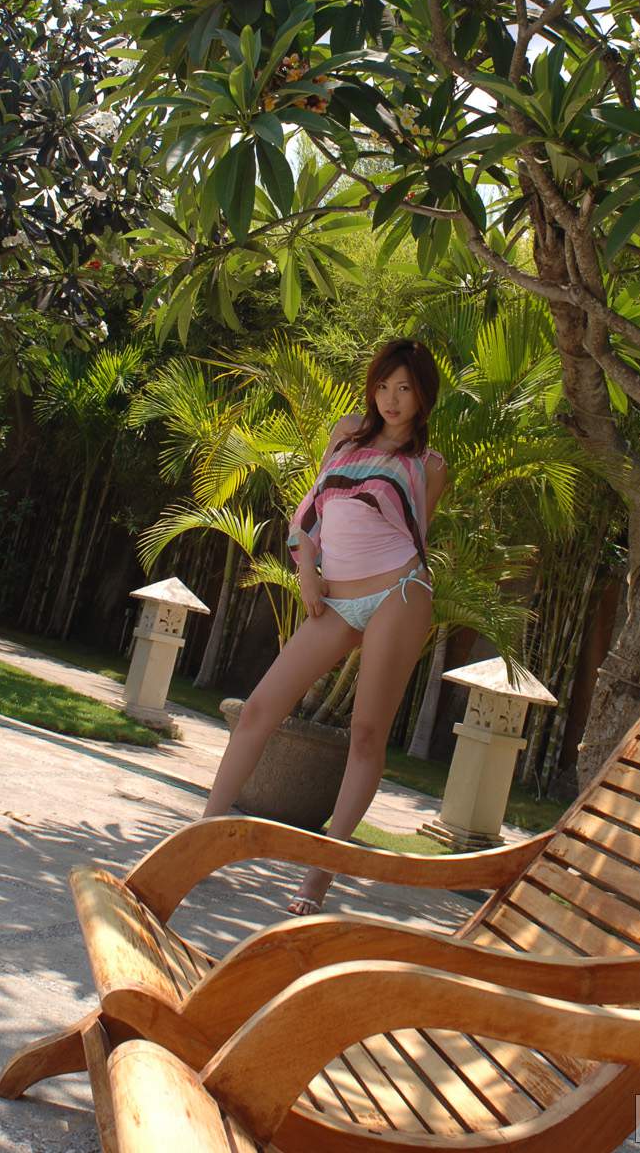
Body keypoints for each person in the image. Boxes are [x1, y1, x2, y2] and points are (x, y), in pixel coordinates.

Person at [200, 338, 448, 914]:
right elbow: (311, 511)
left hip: (399, 594)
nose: (391, 399)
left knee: (366, 734)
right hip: (334, 600)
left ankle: (318, 879)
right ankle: (203, 838)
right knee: (259, 710)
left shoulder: (429, 466)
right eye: (383, 386)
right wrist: (306, 571)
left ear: (423, 397)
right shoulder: (345, 432)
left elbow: (411, 532)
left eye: (405, 389)